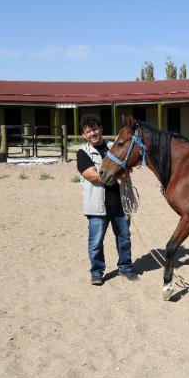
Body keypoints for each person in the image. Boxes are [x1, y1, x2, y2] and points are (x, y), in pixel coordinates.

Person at [76, 114, 139, 285]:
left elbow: (128, 165)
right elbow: (93, 176)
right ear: (84, 135)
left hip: (120, 203)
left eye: (95, 129)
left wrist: (124, 170)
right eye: (88, 131)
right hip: (97, 206)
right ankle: (97, 272)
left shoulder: (115, 147)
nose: (92, 133)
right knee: (96, 242)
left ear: (101, 129)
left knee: (124, 238)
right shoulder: (83, 153)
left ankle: (125, 267)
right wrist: (118, 173)